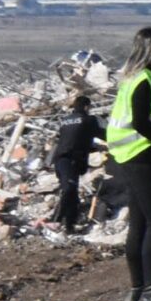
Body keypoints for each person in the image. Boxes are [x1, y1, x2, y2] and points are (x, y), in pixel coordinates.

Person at [105, 27, 151, 301]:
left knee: (140, 223)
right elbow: (141, 122)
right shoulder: (144, 81)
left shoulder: (131, 79)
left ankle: (137, 290)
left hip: (128, 155)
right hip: (141, 154)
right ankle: (150, 289)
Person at [50, 94, 101, 231]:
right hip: (70, 160)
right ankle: (56, 220)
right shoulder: (89, 120)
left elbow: (69, 138)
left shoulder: (65, 120)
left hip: (60, 160)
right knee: (69, 189)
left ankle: (69, 225)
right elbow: (101, 134)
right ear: (86, 107)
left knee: (72, 192)